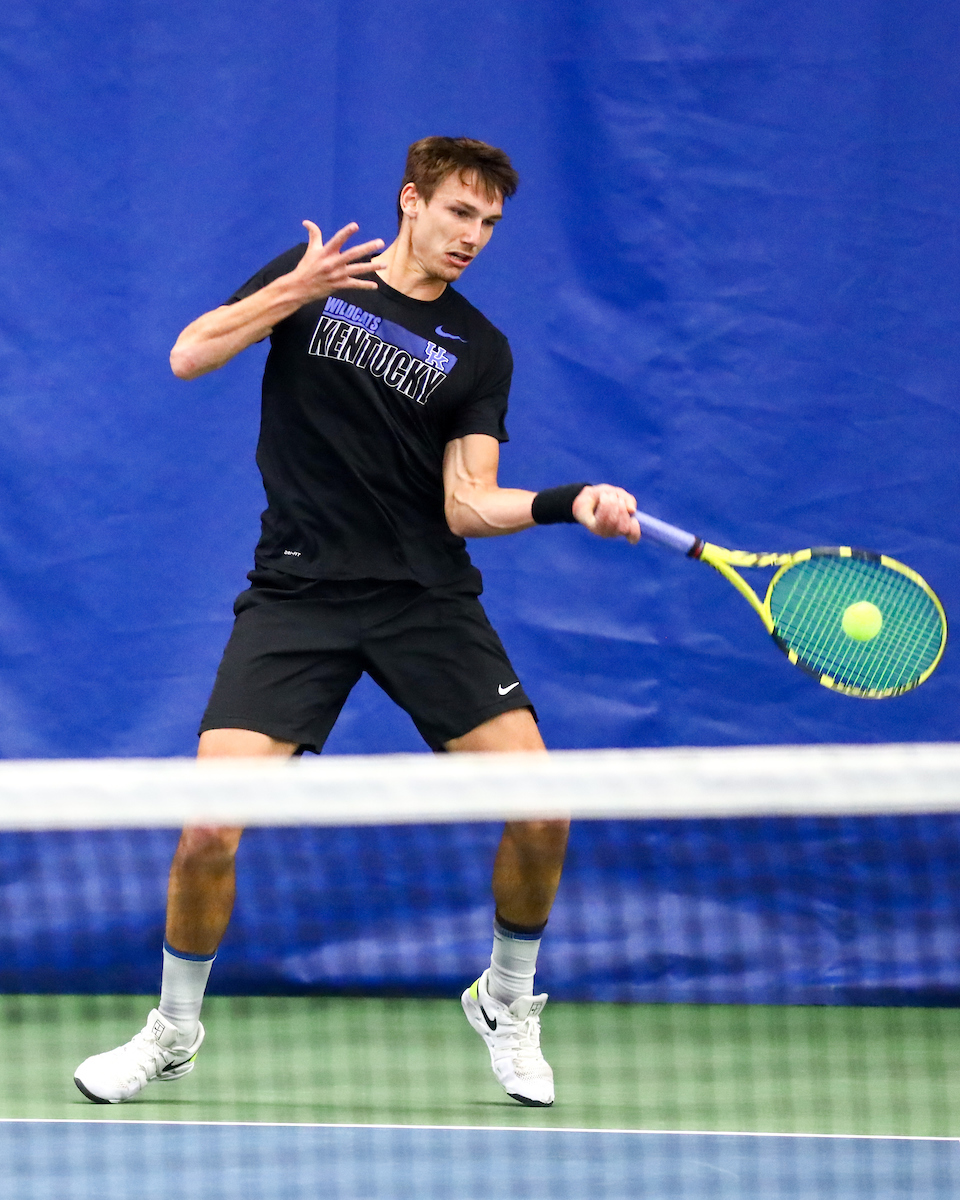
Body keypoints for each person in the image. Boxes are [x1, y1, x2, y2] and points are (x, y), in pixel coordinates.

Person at [73, 136, 640, 1108]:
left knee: (544, 809)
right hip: (299, 596)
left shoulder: (481, 347)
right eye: (459, 213)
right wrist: (293, 291)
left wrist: (567, 499)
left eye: (490, 224)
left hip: (425, 601)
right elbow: (188, 354)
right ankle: (171, 1029)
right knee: (208, 830)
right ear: (410, 201)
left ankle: (507, 999)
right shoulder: (315, 282)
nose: (473, 237)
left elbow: (470, 501)